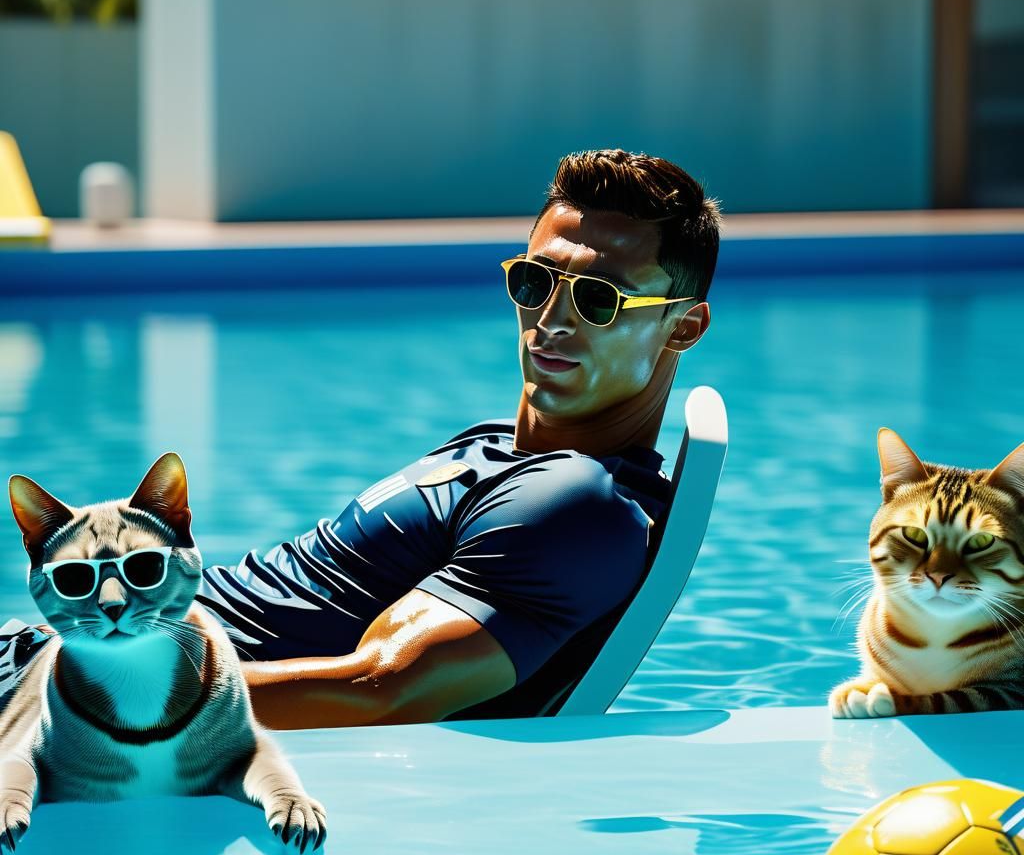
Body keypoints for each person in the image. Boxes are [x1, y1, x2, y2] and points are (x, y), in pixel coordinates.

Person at [1, 149, 720, 730]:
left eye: (599, 298)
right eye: (536, 283)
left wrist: (71, 694)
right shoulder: (501, 451)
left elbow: (383, 688)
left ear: (682, 326)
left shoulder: (573, 505)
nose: (553, 319)